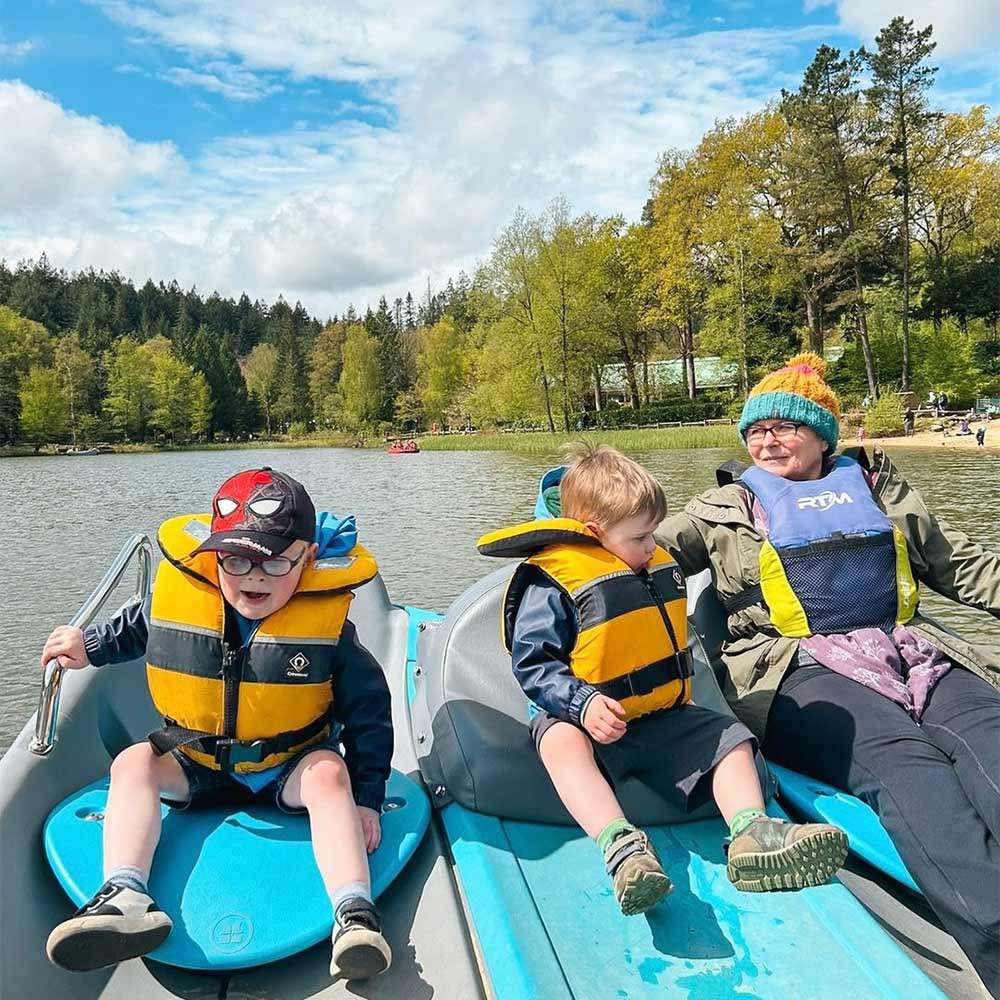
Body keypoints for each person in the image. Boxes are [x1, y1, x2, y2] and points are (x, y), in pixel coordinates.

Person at [656, 353, 1000, 996]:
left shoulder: (878, 487)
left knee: (989, 736)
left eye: (786, 425)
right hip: (795, 669)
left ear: (823, 436)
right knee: (908, 765)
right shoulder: (725, 505)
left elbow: (955, 565)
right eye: (757, 429)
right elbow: (645, 549)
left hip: (909, 649)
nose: (768, 438)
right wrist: (579, 540)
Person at [41, 469, 394, 981]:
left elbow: (369, 714)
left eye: (275, 562)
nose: (254, 577)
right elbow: (135, 629)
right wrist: (88, 645)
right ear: (212, 557)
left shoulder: (332, 629)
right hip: (198, 759)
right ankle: (125, 894)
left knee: (328, 775)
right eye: (236, 559)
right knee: (134, 761)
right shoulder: (182, 598)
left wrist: (367, 796)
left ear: (308, 559)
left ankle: (353, 914)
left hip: (286, 764)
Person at [478, 445, 847, 917]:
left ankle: (753, 830)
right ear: (595, 533)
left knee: (731, 738)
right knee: (559, 743)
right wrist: (581, 702)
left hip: (659, 717)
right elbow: (534, 666)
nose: (653, 547)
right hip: (584, 720)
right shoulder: (551, 582)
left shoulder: (649, 564)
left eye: (653, 534)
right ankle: (623, 848)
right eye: (640, 538)